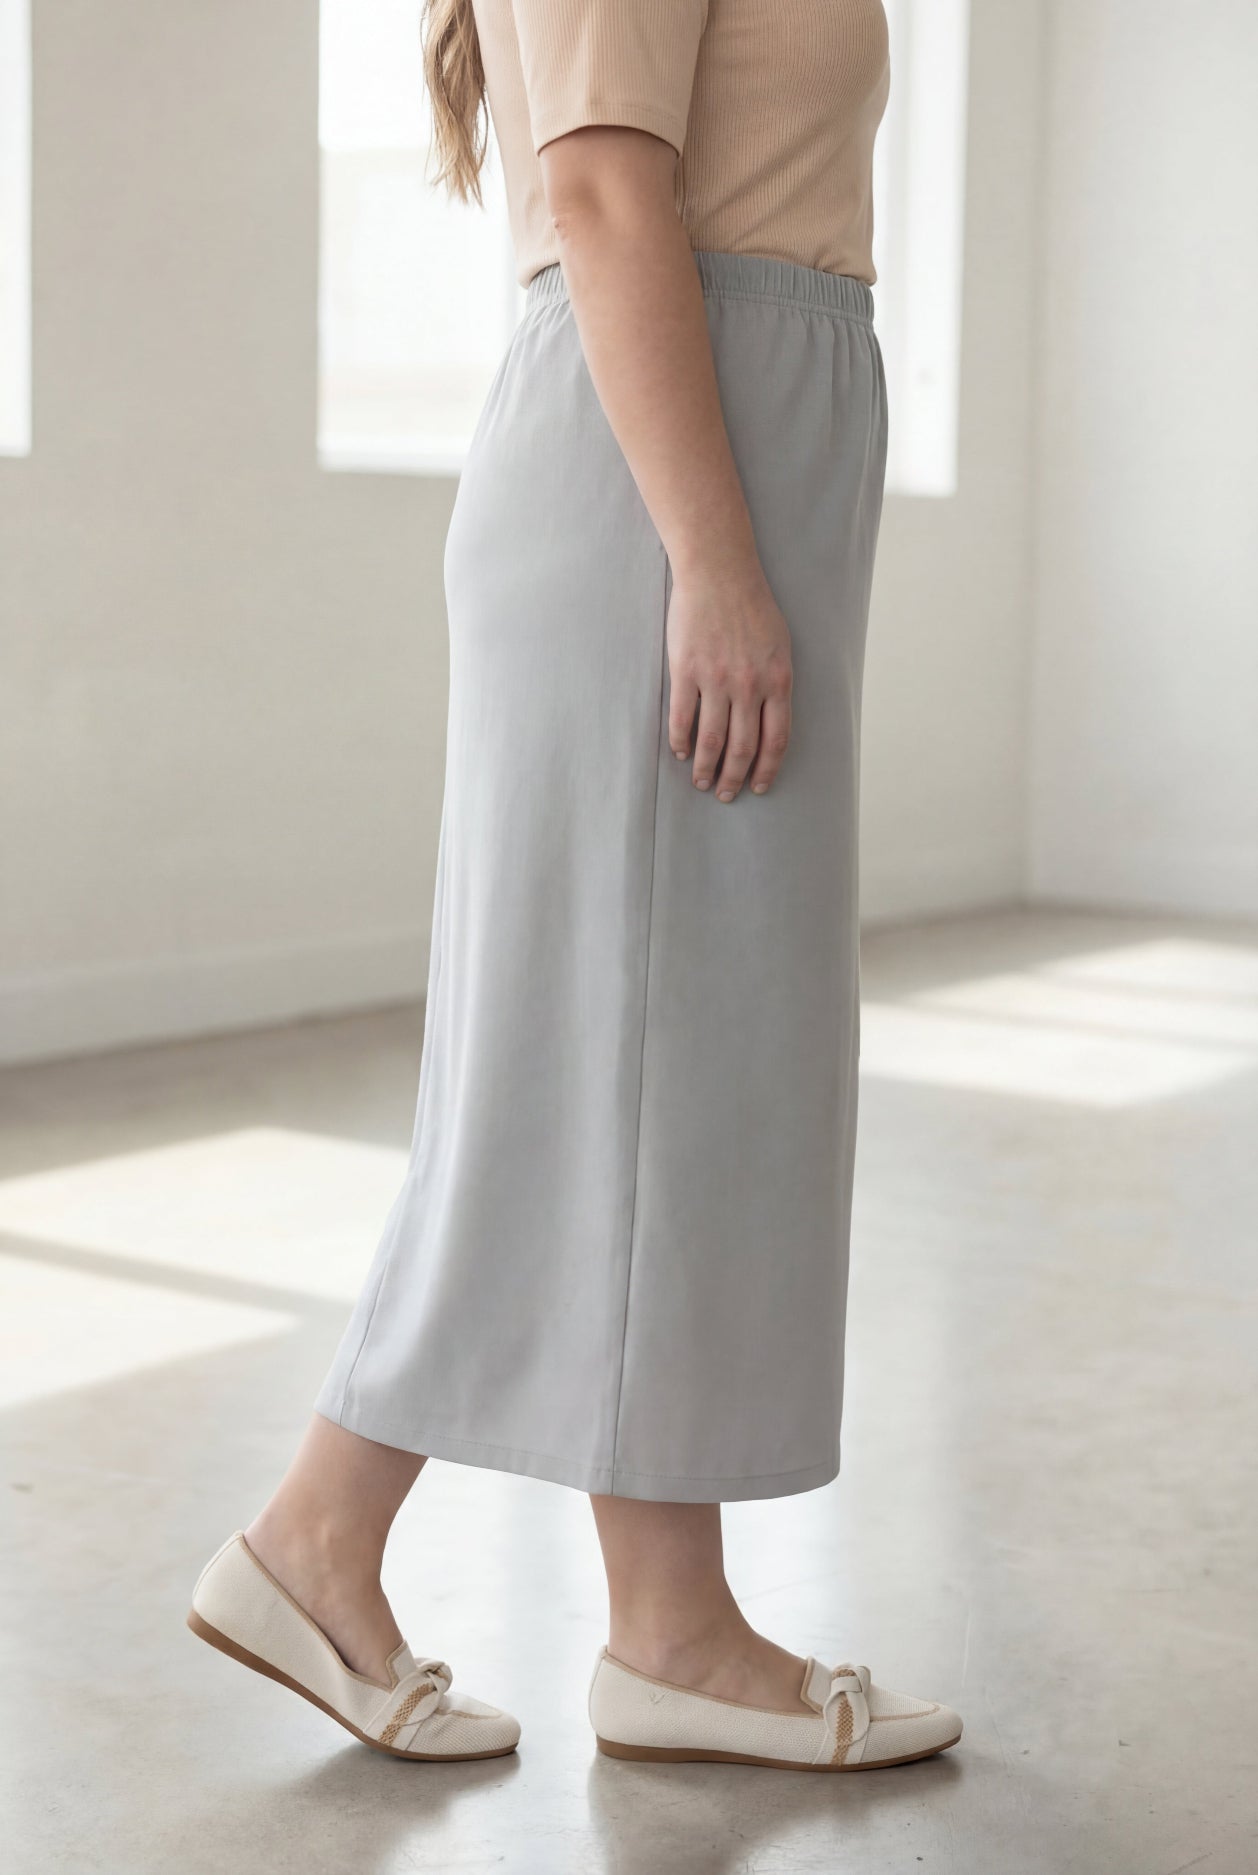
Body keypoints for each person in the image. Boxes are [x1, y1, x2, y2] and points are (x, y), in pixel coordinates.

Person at [187, 0, 962, 1772]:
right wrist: (708, 557)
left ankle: (664, 1624)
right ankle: (320, 1537)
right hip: (668, 492)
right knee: (588, 1068)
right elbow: (607, 189)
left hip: (726, 455)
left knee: (686, 1082)